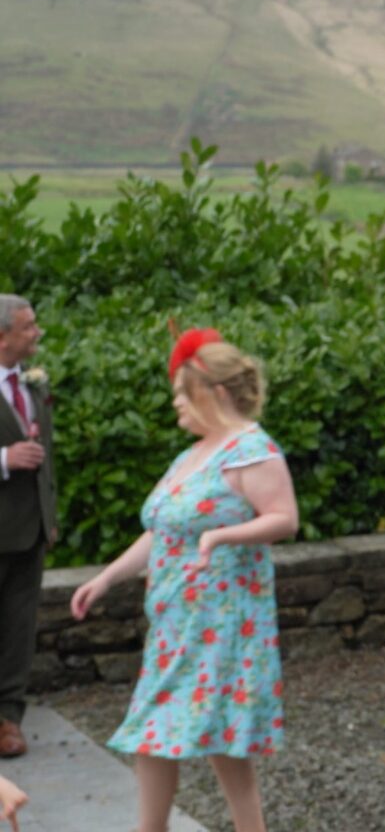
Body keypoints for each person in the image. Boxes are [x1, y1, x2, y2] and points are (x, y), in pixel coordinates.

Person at [70, 332, 296, 832]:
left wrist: (222, 535)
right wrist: (106, 578)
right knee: (159, 729)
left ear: (216, 392)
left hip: (223, 621)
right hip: (175, 621)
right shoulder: (192, 455)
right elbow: (161, 531)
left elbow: (284, 517)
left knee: (212, 737)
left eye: (182, 392)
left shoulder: (251, 449)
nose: (175, 401)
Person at [0, 296, 55, 761]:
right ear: (1, 337)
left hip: (30, 528)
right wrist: (4, 458)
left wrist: (48, 516)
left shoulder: (33, 383)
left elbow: (47, 456)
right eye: (28, 327)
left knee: (19, 628)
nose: (37, 333)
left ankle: (9, 720)